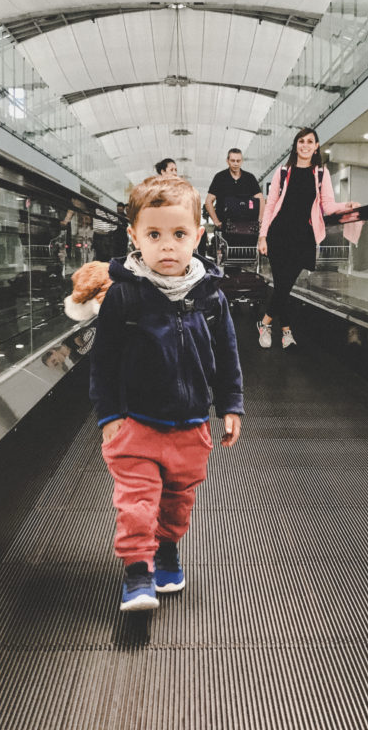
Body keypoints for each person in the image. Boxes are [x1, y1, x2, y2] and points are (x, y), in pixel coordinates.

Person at [90, 175, 243, 612]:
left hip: (191, 426)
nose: (167, 247)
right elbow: (103, 361)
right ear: (134, 236)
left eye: (179, 235)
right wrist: (109, 415)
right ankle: (137, 572)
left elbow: (227, 354)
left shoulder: (211, 298)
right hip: (137, 424)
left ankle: (167, 548)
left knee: (178, 501)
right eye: (154, 235)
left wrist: (230, 404)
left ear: (198, 235)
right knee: (137, 504)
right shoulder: (124, 296)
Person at [256, 127, 361, 350]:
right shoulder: (283, 172)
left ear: (316, 147)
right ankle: (286, 332)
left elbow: (328, 205)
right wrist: (262, 236)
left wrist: (347, 205)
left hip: (303, 236)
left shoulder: (321, 173)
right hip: (278, 234)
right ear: (296, 145)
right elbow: (270, 205)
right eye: (301, 141)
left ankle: (264, 323)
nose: (304, 145)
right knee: (282, 284)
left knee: (285, 285)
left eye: (310, 141)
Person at [205, 148, 263, 247]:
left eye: (238, 161)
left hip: (247, 229)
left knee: (247, 257)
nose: (236, 163)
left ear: (242, 161)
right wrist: (216, 221)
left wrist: (260, 220)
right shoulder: (220, 178)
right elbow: (208, 201)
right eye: (233, 161)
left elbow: (261, 199)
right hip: (225, 229)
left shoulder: (249, 178)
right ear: (227, 161)